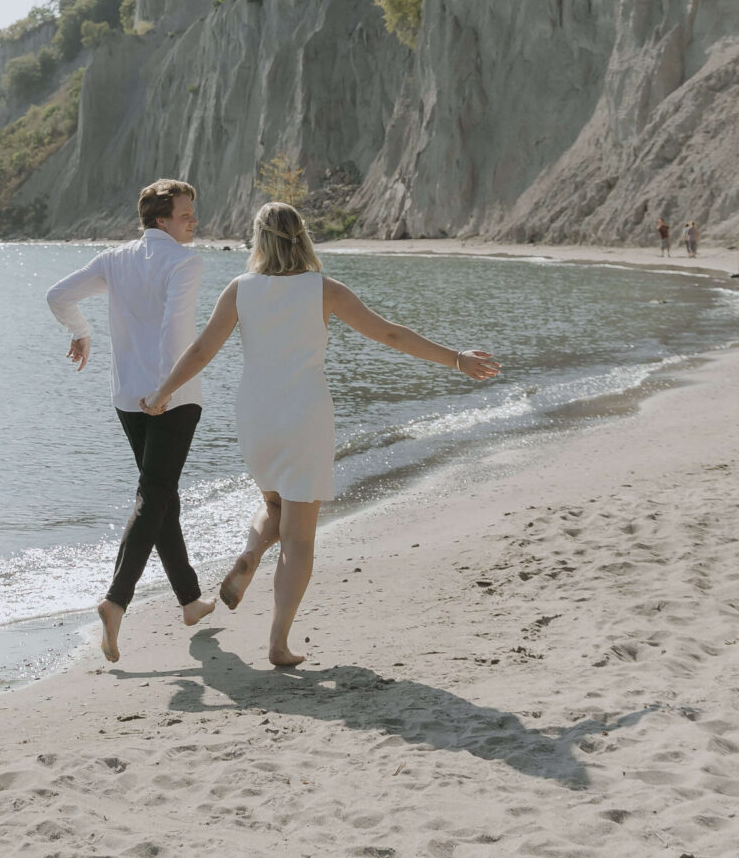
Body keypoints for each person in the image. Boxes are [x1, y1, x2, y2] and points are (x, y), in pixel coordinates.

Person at [141, 200, 497, 670]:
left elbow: (204, 349)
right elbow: (390, 335)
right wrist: (455, 358)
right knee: (299, 539)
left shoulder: (239, 289)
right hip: (306, 417)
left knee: (273, 506)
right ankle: (278, 642)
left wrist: (163, 392)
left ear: (259, 240)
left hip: (255, 417)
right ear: (303, 237)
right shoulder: (324, 289)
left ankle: (250, 554)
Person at [46, 178, 215, 664]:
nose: (193, 222)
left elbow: (58, 296)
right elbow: (175, 330)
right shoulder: (185, 262)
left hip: (126, 396)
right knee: (155, 494)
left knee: (161, 494)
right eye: (186, 214)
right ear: (161, 219)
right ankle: (116, 600)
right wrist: (164, 390)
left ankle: (189, 600)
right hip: (172, 396)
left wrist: (80, 331)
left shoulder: (114, 259)